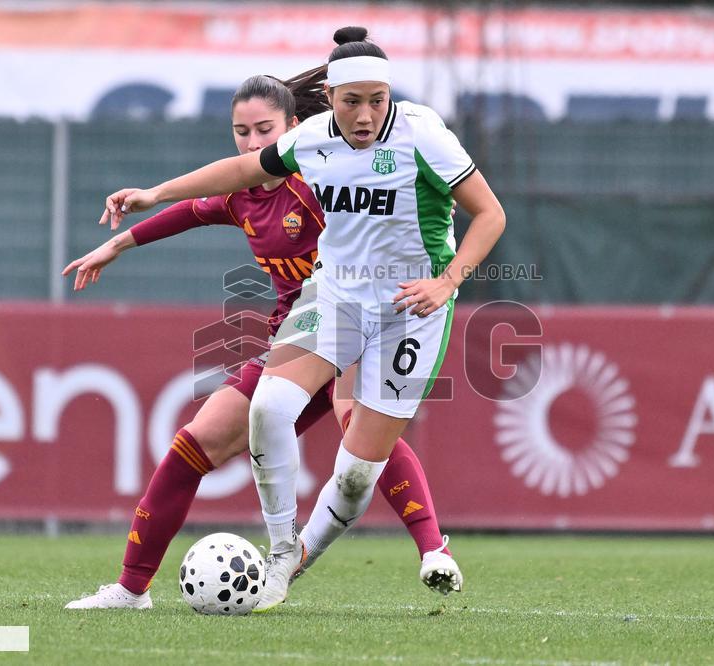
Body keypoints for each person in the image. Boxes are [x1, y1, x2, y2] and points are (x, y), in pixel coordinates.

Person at [98, 26, 505, 612]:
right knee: (269, 406)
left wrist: (448, 282)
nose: (365, 115)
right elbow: (236, 176)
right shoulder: (311, 139)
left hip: (408, 310)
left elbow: (490, 214)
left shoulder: (425, 136)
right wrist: (154, 193)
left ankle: (322, 550)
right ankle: (281, 551)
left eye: (377, 100)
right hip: (336, 298)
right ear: (332, 101)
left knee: (360, 472)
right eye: (351, 101)